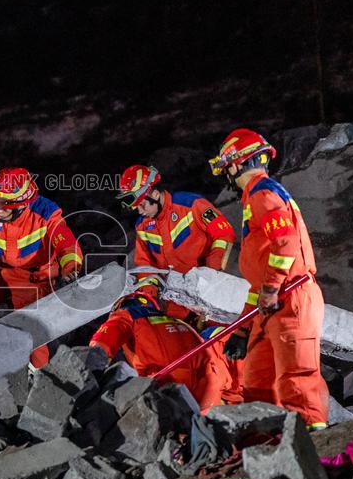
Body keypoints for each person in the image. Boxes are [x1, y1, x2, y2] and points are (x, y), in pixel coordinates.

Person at [208, 128, 328, 429]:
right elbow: (258, 285)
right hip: (273, 302)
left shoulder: (263, 193)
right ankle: (266, 444)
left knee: (297, 380)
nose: (227, 175)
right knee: (257, 381)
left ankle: (316, 451)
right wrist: (242, 329)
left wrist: (273, 287)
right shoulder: (255, 198)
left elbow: (285, 241)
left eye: (227, 168)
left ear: (238, 164)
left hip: (291, 297)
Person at [0, 167, 83, 368]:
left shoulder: (45, 213)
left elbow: (66, 244)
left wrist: (70, 269)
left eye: (3, 204)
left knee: (31, 328)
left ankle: (38, 376)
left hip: (34, 277)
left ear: (22, 204)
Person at [117, 164, 236, 319]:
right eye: (135, 207)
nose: (140, 211)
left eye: (142, 205)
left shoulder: (191, 204)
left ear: (154, 194)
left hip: (210, 292)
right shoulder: (143, 226)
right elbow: (145, 264)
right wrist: (149, 296)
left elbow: (224, 234)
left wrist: (212, 274)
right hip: (176, 302)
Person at [88, 291, 236, 412]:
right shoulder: (181, 324)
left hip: (172, 387)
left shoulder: (128, 314)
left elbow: (105, 340)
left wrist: (90, 367)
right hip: (210, 389)